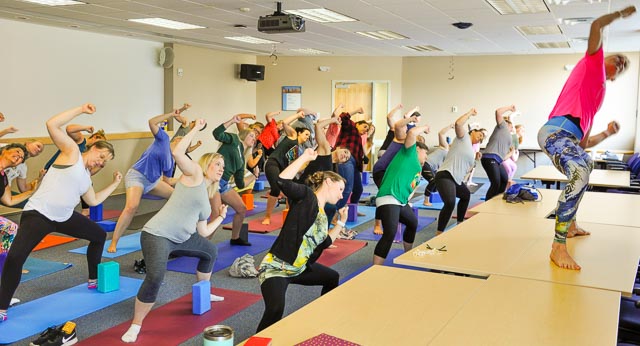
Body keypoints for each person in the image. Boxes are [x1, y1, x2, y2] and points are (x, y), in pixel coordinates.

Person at [0, 103, 122, 322]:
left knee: (98, 235)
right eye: (101, 155)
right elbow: (52, 124)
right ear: (92, 148)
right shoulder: (72, 152)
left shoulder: (86, 177)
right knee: (16, 257)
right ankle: (1, 307)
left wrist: (114, 184)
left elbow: (93, 200)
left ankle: (93, 278)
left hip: (64, 218)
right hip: (39, 214)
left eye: (105, 161)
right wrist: (82, 109)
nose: (101, 162)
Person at [537, 6, 635, 270]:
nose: (621, 62)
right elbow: (596, 26)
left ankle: (570, 226)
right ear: (605, 61)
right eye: (619, 58)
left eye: (624, 66)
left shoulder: (596, 99)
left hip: (569, 137)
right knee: (580, 171)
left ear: (614, 78)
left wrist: (607, 133)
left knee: (586, 164)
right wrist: (618, 15)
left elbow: (583, 144)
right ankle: (558, 246)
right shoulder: (593, 63)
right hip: (555, 131)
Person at [120, 120, 228, 343]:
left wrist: (220, 217)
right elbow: (178, 151)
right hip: (157, 234)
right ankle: (136, 325)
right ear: (206, 164)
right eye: (217, 164)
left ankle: (205, 291)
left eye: (223, 167)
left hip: (182, 238)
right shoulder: (194, 174)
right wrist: (196, 128)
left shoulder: (207, 199)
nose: (221, 169)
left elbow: (204, 231)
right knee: (156, 276)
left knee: (209, 250)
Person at [256, 148, 347, 332]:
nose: (341, 195)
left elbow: (325, 243)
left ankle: (321, 319)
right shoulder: (307, 197)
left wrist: (341, 223)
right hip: (277, 268)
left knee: (332, 277)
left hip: (299, 268)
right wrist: (305, 157)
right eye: (340, 189)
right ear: (328, 182)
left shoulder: (323, 215)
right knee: (275, 309)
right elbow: (282, 181)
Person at [108, 109, 184, 253]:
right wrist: (172, 115)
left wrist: (182, 179)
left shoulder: (171, 162)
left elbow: (167, 182)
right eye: (180, 141)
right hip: (137, 176)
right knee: (132, 207)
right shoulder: (163, 139)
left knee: (176, 197)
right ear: (175, 140)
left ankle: (166, 232)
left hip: (153, 182)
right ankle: (114, 242)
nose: (181, 144)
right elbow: (152, 122)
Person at [373, 123, 430, 265]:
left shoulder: (417, 167)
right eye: (426, 153)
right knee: (390, 233)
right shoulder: (409, 154)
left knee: (412, 222)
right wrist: (425, 126)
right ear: (418, 149)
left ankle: (408, 253)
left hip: (400, 201)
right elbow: (411, 134)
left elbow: (411, 187)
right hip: (389, 197)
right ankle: (375, 268)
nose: (427, 157)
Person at [434, 109, 485, 236]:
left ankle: (459, 224)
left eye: (482, 139)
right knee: (450, 202)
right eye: (479, 135)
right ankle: (439, 233)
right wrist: (470, 114)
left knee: (465, 195)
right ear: (473, 131)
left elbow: (467, 172)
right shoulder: (463, 137)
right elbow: (458, 124)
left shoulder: (472, 152)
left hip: (455, 179)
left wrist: (475, 160)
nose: (480, 139)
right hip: (445, 175)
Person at [211, 114, 257, 245]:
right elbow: (217, 133)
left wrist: (254, 176)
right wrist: (231, 121)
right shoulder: (234, 139)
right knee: (216, 214)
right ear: (244, 134)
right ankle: (203, 244)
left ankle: (235, 238)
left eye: (255, 138)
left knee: (241, 208)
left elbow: (240, 184)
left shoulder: (242, 160)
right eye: (251, 135)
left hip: (223, 184)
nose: (253, 139)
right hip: (213, 181)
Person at [261, 111, 310, 225]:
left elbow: (295, 166)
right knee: (276, 189)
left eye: (308, 135)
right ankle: (267, 216)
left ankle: (289, 213)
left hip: (282, 169)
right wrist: (298, 115)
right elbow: (285, 123)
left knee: (292, 188)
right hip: (272, 163)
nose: (307, 137)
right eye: (306, 134)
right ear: (299, 133)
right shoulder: (293, 135)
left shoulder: (299, 149)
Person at [481, 105, 517, 201]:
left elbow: (503, 157)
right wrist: (509, 108)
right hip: (489, 158)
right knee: (496, 182)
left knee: (504, 180)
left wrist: (512, 152)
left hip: (497, 160)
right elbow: (498, 112)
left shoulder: (508, 136)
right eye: (511, 125)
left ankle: (496, 201)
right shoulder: (502, 126)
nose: (512, 127)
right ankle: (487, 204)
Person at [422, 123, 454, 206]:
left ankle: (433, 197)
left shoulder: (450, 155)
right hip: (425, 164)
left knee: (437, 182)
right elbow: (441, 133)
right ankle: (426, 200)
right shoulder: (445, 147)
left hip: (430, 167)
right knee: (433, 181)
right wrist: (450, 126)